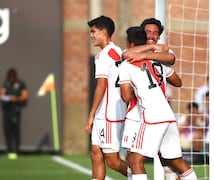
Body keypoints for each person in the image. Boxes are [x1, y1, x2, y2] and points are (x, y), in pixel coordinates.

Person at [119, 26, 197, 180]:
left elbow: (126, 97)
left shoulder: (126, 64)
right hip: (169, 115)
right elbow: (178, 81)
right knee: (176, 161)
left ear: (129, 42)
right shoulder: (158, 61)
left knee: (135, 160)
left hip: (151, 116)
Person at [123, 18, 179, 179]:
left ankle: (171, 176)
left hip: (152, 112)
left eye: (155, 33)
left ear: (159, 36)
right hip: (135, 112)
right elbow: (126, 54)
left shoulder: (160, 56)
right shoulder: (132, 53)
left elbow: (171, 59)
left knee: (153, 157)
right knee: (132, 156)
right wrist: (150, 50)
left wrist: (146, 54)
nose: (152, 35)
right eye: (148, 32)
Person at [84, 15, 129, 179]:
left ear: (104, 32)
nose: (91, 35)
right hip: (108, 111)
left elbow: (101, 86)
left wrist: (91, 115)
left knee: (113, 161)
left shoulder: (104, 55)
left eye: (93, 31)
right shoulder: (117, 50)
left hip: (108, 114)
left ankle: (140, 176)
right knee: (95, 153)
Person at [0, 68, 28, 160]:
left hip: (15, 111)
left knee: (15, 130)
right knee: (7, 131)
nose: (11, 79)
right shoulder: (6, 83)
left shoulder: (20, 84)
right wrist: (8, 98)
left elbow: (24, 96)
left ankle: (17, 150)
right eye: (9, 78)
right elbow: (2, 95)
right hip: (7, 111)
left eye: (12, 77)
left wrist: (16, 99)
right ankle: (9, 149)